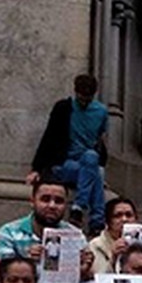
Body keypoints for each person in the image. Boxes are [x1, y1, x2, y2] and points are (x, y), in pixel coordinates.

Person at [27, 74, 108, 233]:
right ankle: (95, 218)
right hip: (63, 164)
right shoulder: (64, 108)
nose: (84, 101)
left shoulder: (101, 112)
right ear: (75, 92)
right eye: (81, 97)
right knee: (95, 172)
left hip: (87, 162)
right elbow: (49, 137)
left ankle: (83, 211)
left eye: (88, 97)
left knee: (93, 162)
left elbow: (100, 140)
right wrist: (36, 168)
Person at [0, 175, 92, 283]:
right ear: (32, 201)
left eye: (59, 201)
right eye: (45, 199)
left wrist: (84, 270)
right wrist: (27, 260)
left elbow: (83, 280)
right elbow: (3, 277)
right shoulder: (9, 233)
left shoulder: (76, 236)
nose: (52, 206)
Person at [88, 198, 140, 275]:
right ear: (108, 221)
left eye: (129, 215)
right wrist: (113, 258)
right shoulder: (95, 246)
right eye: (118, 216)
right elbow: (99, 280)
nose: (124, 219)